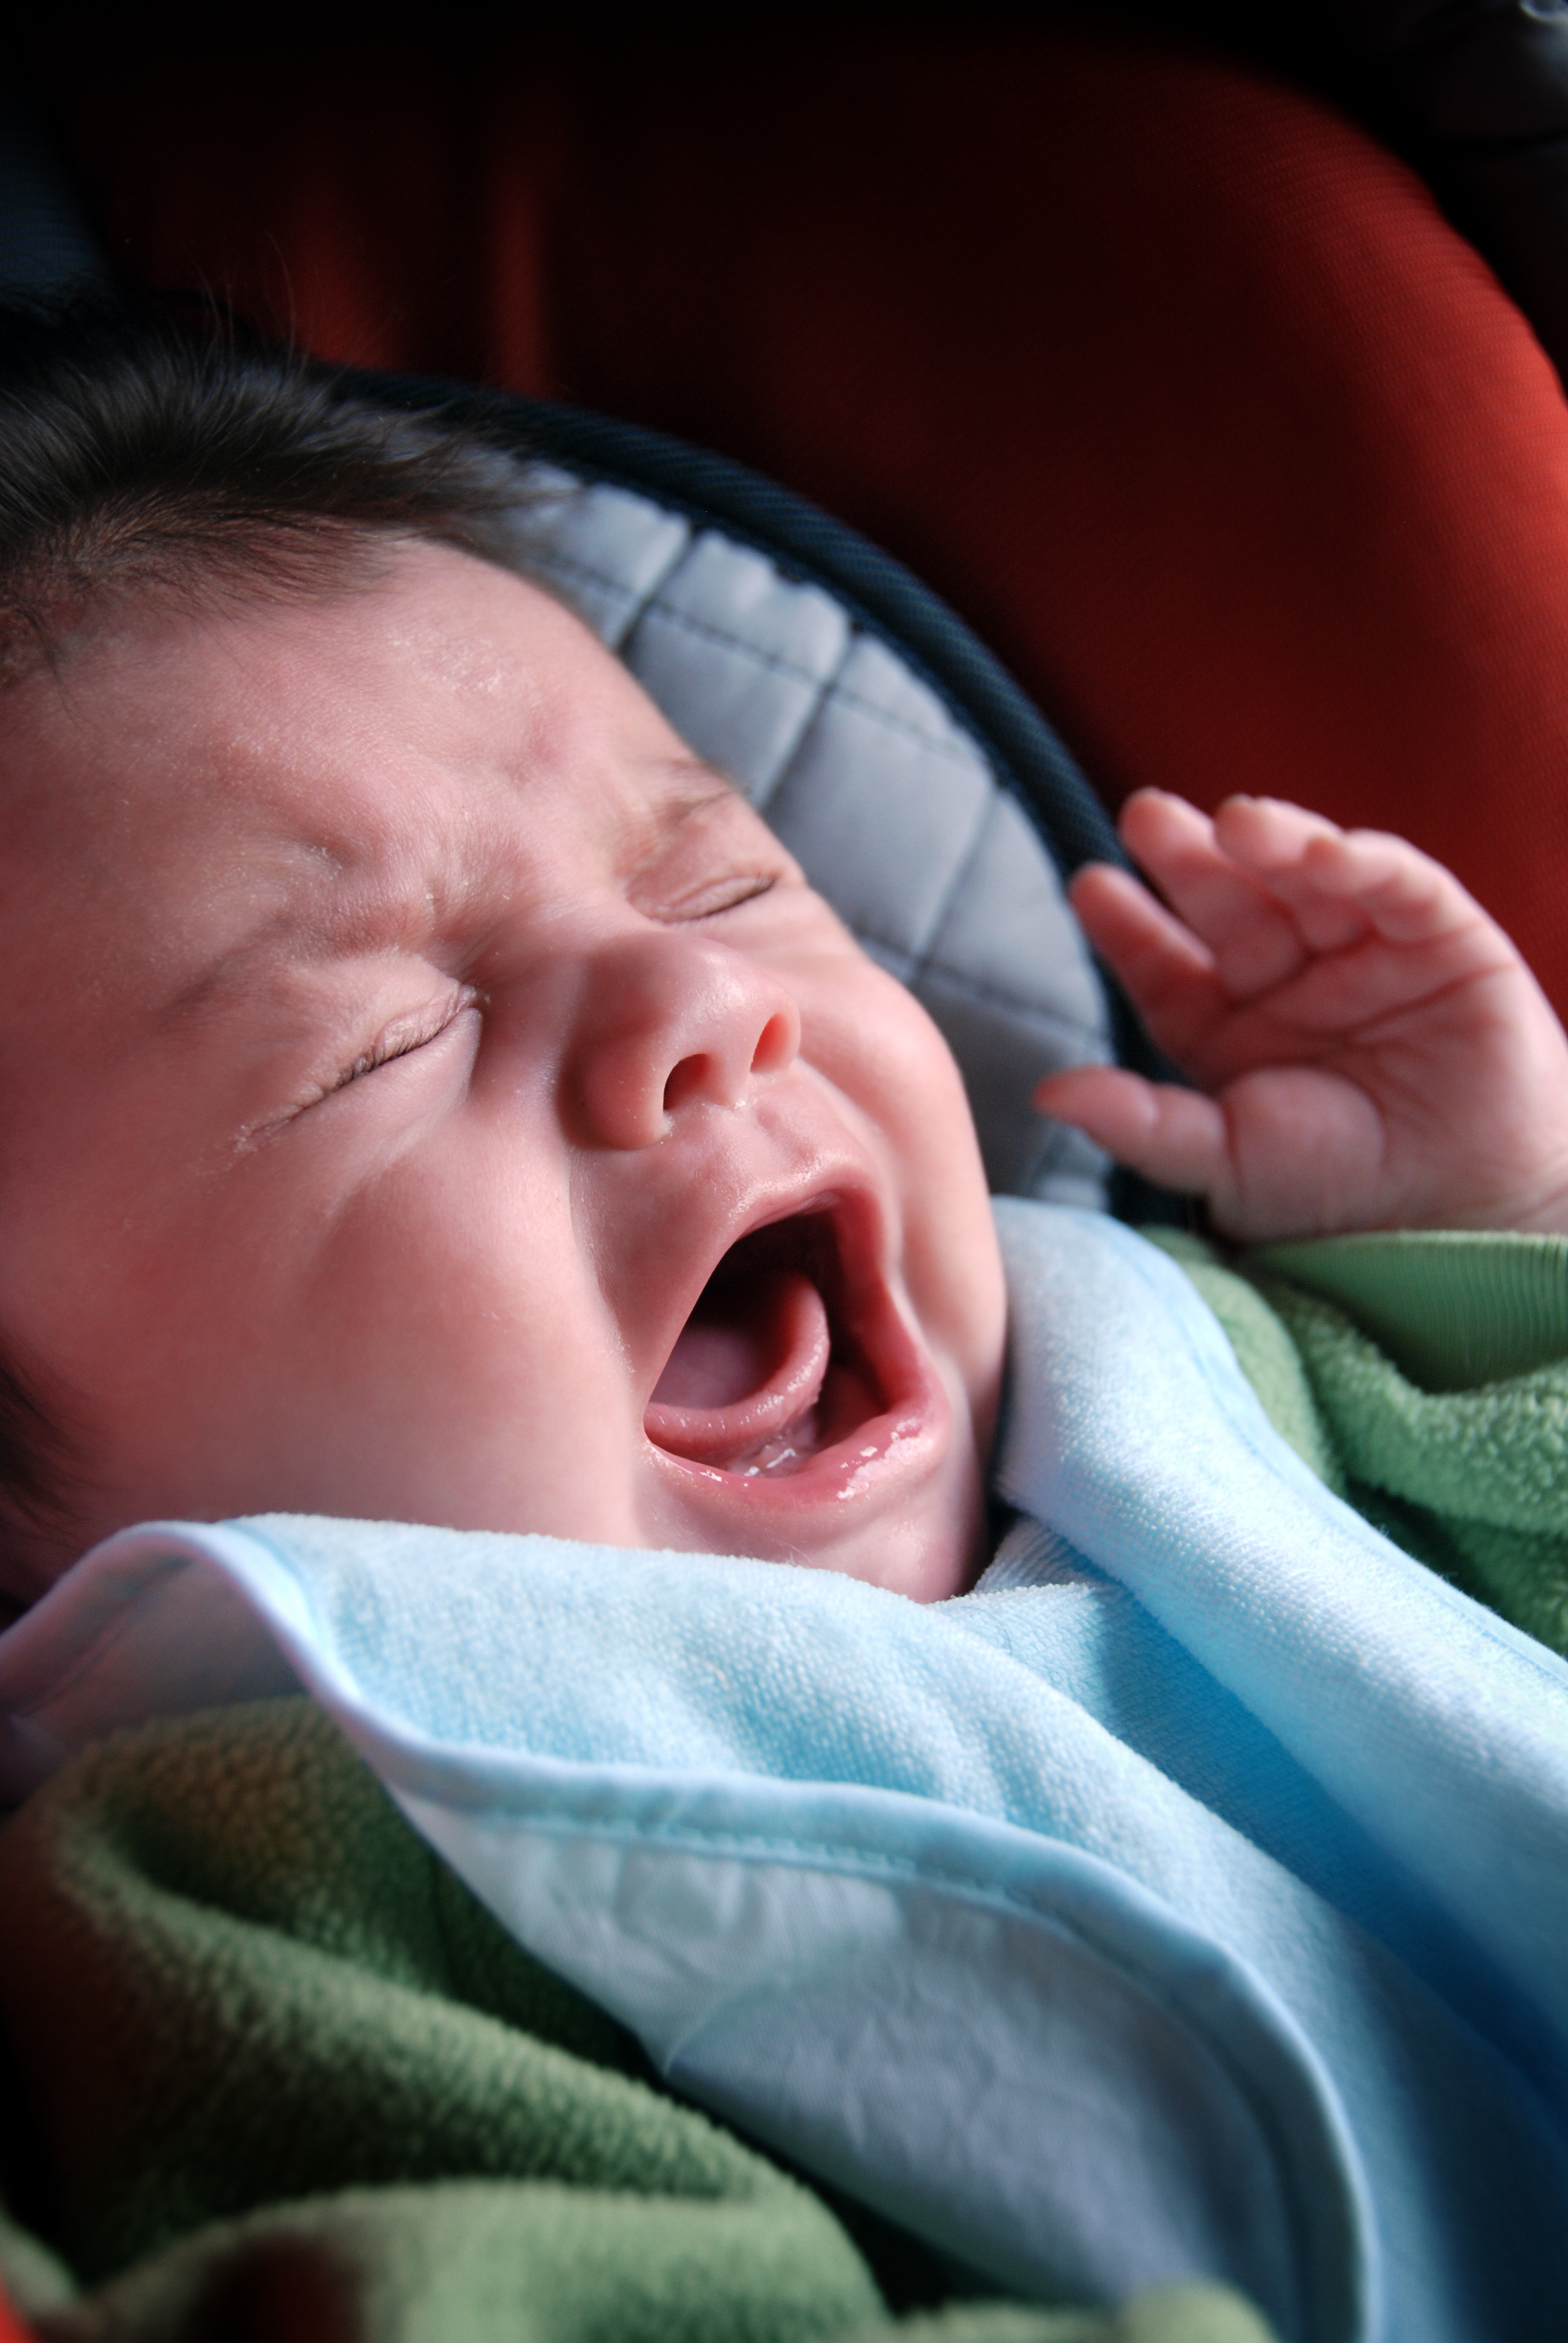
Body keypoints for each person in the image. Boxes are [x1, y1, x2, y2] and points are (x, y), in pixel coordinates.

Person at [0, 299, 1565, 1631]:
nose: (700, 1001)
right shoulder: (233, 1905)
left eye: (718, 887)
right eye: (377, 1043)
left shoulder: (1227, 1416)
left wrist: (1483, 1238)